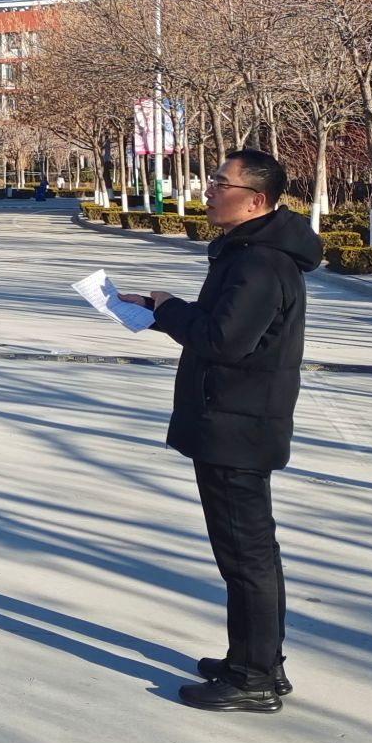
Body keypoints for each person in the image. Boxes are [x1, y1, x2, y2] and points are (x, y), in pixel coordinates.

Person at [146, 147, 321, 713]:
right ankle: (255, 660)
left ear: (256, 201)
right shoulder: (248, 254)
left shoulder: (260, 263)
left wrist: (169, 310)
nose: (209, 192)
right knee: (247, 554)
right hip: (233, 421)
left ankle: (255, 678)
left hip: (237, 428)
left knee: (247, 557)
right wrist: (161, 309)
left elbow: (225, 341)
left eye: (221, 184)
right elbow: (223, 327)